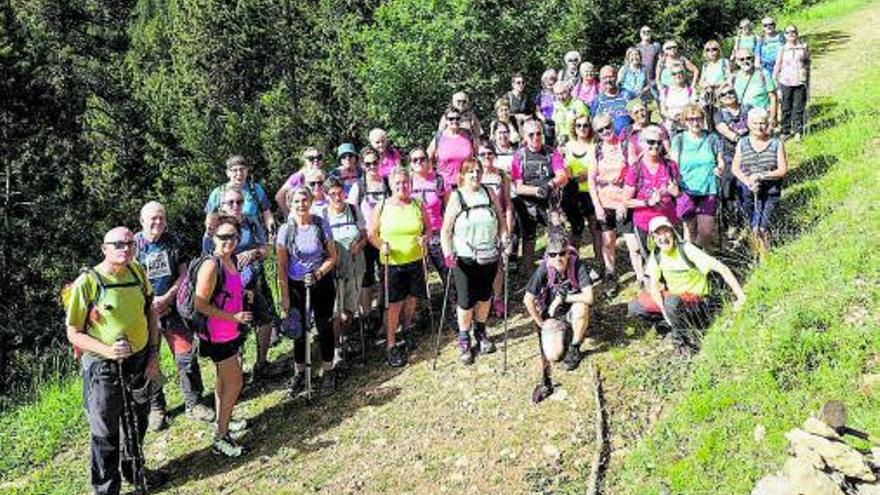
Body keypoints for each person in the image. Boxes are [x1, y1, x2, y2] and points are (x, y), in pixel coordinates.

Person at [66, 227, 160, 493]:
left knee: (137, 421)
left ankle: (135, 472)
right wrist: (108, 352)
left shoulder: (137, 272)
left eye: (130, 243)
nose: (126, 248)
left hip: (139, 360)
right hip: (102, 367)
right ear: (104, 248)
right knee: (105, 430)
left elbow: (150, 312)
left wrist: (153, 353)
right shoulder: (88, 282)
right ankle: (107, 489)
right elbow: (73, 332)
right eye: (118, 244)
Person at [135, 201, 212, 432]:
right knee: (150, 361)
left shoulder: (173, 242)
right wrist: (150, 304)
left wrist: (168, 298)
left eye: (161, 218)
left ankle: (194, 402)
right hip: (144, 315)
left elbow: (185, 273)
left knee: (186, 356)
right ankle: (156, 408)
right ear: (142, 221)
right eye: (153, 218)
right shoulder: (133, 246)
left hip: (174, 309)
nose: (158, 222)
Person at [627, 216, 746, 355]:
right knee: (635, 306)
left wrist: (741, 296)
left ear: (673, 232)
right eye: (657, 234)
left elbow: (722, 268)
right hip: (676, 303)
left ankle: (682, 345)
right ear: (653, 238)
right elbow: (653, 286)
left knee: (672, 302)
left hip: (698, 301)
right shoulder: (657, 254)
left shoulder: (687, 249)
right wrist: (664, 312)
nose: (662, 238)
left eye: (666, 232)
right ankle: (674, 326)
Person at [441, 158, 508, 364]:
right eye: (470, 172)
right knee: (465, 300)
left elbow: (501, 220)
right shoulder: (457, 196)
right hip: (464, 257)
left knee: (485, 296)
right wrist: (448, 253)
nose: (475, 175)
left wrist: (504, 240)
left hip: (489, 254)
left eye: (478, 171)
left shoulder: (488, 193)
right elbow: (446, 229)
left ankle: (480, 332)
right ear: (462, 174)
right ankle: (464, 338)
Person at [194, 216, 251, 457]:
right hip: (218, 336)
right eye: (223, 237)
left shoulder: (231, 261)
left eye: (233, 236)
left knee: (223, 380)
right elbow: (200, 304)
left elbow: (227, 291)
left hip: (229, 333)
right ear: (213, 238)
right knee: (235, 382)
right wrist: (234, 318)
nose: (228, 241)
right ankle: (221, 436)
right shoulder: (211, 264)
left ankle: (222, 421)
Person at [208, 189, 276, 380]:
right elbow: (210, 257)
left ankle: (261, 364)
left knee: (265, 320)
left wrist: (253, 253)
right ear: (221, 206)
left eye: (239, 202)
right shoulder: (216, 229)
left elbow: (266, 249)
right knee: (235, 332)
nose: (236, 206)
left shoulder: (251, 223)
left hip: (251, 284)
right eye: (231, 203)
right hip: (226, 291)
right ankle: (235, 376)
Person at [368, 166, 432, 367]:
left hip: (415, 259)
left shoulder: (417, 204)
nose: (402, 186)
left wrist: (425, 238)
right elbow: (372, 234)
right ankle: (391, 344)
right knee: (393, 305)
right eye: (398, 183)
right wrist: (381, 245)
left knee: (411, 299)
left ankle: (407, 329)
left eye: (405, 182)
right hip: (392, 263)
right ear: (390, 185)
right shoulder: (382, 206)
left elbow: (429, 228)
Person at [277, 186, 339, 396]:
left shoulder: (320, 224)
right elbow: (282, 267)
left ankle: (329, 370)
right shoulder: (286, 230)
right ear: (290, 204)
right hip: (296, 286)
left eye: (304, 200)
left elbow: (332, 257)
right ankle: (300, 373)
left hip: (320, 282)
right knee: (299, 330)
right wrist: (284, 295)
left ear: (311, 201)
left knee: (324, 326)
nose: (301, 204)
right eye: (296, 201)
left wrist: (319, 273)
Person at [523, 230, 595, 371]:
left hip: (572, 309)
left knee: (582, 307)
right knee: (554, 356)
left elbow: (589, 297)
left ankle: (575, 346)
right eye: (552, 255)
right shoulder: (544, 270)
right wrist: (541, 323)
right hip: (552, 315)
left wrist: (564, 298)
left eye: (562, 253)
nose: (558, 258)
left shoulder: (577, 265)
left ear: (568, 253)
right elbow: (527, 299)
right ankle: (565, 331)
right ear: (547, 257)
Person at [589, 113, 645, 289]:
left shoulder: (625, 145)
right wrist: (597, 205)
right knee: (608, 241)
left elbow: (634, 174)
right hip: (604, 200)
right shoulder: (596, 149)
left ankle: (641, 276)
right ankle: (610, 272)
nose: (606, 131)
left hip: (624, 199)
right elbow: (591, 180)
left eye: (608, 127)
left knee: (633, 244)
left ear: (613, 125)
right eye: (601, 129)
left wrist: (625, 202)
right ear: (596, 132)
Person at [511, 119, 570, 274]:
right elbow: (518, 187)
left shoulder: (551, 152)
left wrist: (550, 185)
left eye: (538, 133)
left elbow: (562, 175)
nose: (535, 137)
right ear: (524, 137)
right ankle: (531, 275)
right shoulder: (519, 157)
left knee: (557, 237)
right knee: (529, 239)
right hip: (528, 204)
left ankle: (559, 271)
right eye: (531, 134)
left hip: (550, 203)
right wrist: (537, 190)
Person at [322, 177, 367, 365]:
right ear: (326, 196)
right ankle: (335, 348)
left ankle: (345, 340)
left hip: (356, 267)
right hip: (334, 271)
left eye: (339, 193)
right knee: (335, 312)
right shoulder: (322, 216)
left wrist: (359, 245)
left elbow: (365, 235)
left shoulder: (354, 210)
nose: (337, 197)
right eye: (332, 194)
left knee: (349, 309)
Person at [731, 107, 788, 251]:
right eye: (755, 123)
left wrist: (762, 176)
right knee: (753, 226)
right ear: (749, 124)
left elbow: (782, 170)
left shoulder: (776, 143)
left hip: (770, 191)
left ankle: (766, 258)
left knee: (763, 227)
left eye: (762, 123)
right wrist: (747, 181)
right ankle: (757, 254)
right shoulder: (742, 143)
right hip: (748, 191)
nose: (759, 127)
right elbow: (735, 168)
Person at [347, 148, 390, 335]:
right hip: (365, 237)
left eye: (375, 162)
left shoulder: (387, 183)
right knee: (366, 278)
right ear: (362, 165)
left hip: (384, 236)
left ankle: (383, 310)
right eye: (368, 163)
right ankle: (366, 316)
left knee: (385, 276)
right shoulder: (359, 186)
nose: (372, 166)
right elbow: (351, 210)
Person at [670, 104, 725, 250]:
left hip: (708, 189)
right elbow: (673, 166)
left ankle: (698, 254)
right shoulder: (679, 140)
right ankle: (692, 264)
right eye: (690, 119)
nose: (695, 122)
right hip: (686, 190)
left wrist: (719, 169)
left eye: (698, 119)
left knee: (706, 232)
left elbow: (720, 161)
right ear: (684, 121)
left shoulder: (712, 138)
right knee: (689, 229)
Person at [410, 146, 453, 316]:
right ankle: (424, 311)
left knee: (447, 273)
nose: (419, 162)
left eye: (423, 159)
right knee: (419, 276)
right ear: (410, 164)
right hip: (415, 235)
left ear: (429, 161)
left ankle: (453, 308)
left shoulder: (439, 180)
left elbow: (450, 208)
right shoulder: (407, 182)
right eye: (415, 160)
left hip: (437, 233)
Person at [623, 125, 682, 251]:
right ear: (642, 144)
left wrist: (676, 193)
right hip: (645, 223)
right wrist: (647, 202)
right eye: (651, 142)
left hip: (668, 221)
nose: (655, 146)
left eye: (659, 142)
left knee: (670, 259)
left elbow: (678, 192)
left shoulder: (671, 166)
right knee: (651, 262)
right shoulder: (635, 169)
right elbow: (626, 201)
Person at [476, 140, 515, 317]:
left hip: (498, 223)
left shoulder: (501, 175)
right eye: (483, 154)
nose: (486, 157)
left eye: (489, 153)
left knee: (498, 263)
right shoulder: (474, 175)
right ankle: (483, 298)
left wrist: (508, 228)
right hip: (479, 225)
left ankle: (497, 298)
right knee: (480, 263)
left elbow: (507, 203)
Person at [561, 113, 600, 257]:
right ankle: (572, 263)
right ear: (574, 128)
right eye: (579, 125)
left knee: (595, 229)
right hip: (572, 192)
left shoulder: (596, 146)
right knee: (575, 229)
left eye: (585, 125)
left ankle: (600, 262)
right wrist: (568, 174)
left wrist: (589, 174)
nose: (582, 128)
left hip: (591, 191)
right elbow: (564, 167)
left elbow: (601, 167)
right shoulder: (568, 146)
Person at [205, 155, 275, 234]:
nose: (239, 173)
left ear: (247, 171)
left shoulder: (255, 189)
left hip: (253, 238)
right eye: (234, 170)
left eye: (242, 169)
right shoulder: (218, 192)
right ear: (228, 173)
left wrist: (271, 230)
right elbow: (210, 217)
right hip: (227, 237)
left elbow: (266, 212)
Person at [713, 83, 751, 221]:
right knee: (728, 188)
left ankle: (746, 219)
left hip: (749, 155)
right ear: (720, 99)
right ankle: (730, 221)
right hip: (730, 155)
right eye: (723, 94)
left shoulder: (748, 109)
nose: (728, 96)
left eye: (730, 92)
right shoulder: (719, 114)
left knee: (746, 188)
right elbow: (723, 130)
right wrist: (739, 139)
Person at [773, 25, 810, 140]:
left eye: (793, 32)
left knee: (799, 107)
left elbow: (808, 62)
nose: (791, 34)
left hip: (800, 81)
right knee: (785, 107)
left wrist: (807, 78)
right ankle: (785, 130)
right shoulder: (782, 49)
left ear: (797, 33)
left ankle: (798, 130)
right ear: (785, 35)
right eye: (788, 32)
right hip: (785, 81)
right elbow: (777, 66)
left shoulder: (803, 47)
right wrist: (776, 83)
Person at [427, 106, 474, 191]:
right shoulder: (439, 137)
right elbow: (428, 158)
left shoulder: (467, 135)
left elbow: (475, 157)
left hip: (465, 184)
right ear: (446, 121)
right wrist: (431, 176)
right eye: (451, 119)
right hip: (445, 185)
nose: (454, 121)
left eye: (457, 118)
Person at [731, 48, 778, 125]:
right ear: (737, 62)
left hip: (760, 116)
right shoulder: (735, 77)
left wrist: (772, 118)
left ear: (753, 59)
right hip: (742, 116)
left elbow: (773, 97)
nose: (745, 61)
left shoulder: (763, 74)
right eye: (741, 59)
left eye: (748, 58)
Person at [276, 147, 326, 217]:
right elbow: (279, 196)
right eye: (311, 158)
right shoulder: (298, 177)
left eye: (319, 157)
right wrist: (289, 214)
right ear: (305, 161)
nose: (316, 160)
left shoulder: (324, 174)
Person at [591, 65, 636, 135]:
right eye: (604, 78)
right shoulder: (597, 101)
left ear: (616, 76)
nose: (608, 80)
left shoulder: (629, 95)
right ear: (600, 80)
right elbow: (595, 125)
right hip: (607, 140)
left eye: (611, 76)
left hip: (628, 139)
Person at [659, 63, 697, 136]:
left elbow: (694, 108)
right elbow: (663, 110)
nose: (678, 76)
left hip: (687, 126)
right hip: (670, 127)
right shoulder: (665, 91)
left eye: (680, 73)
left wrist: (682, 116)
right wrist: (672, 117)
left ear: (684, 74)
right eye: (674, 74)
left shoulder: (691, 90)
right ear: (671, 76)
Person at [552, 80, 590, 146]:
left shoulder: (579, 105)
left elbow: (588, 126)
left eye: (563, 93)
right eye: (557, 94)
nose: (560, 97)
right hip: (561, 143)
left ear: (569, 91)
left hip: (577, 143)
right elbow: (557, 127)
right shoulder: (557, 106)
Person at [698, 40, 731, 114]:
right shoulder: (705, 65)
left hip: (721, 91)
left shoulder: (724, 62)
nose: (711, 52)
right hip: (708, 93)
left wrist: (719, 86)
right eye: (708, 50)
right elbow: (701, 82)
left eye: (714, 49)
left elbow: (729, 78)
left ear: (718, 50)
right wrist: (706, 86)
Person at [534, 69, 558, 143]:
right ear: (543, 82)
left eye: (552, 79)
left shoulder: (559, 93)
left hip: (558, 122)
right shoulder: (540, 95)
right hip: (546, 122)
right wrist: (543, 119)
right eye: (546, 79)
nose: (549, 82)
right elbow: (537, 111)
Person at [636, 26, 662, 96]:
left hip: (654, 79)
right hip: (641, 80)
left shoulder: (656, 46)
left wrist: (658, 78)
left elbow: (661, 61)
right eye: (644, 32)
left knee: (659, 100)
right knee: (642, 103)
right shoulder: (637, 47)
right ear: (640, 34)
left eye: (648, 31)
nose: (646, 33)